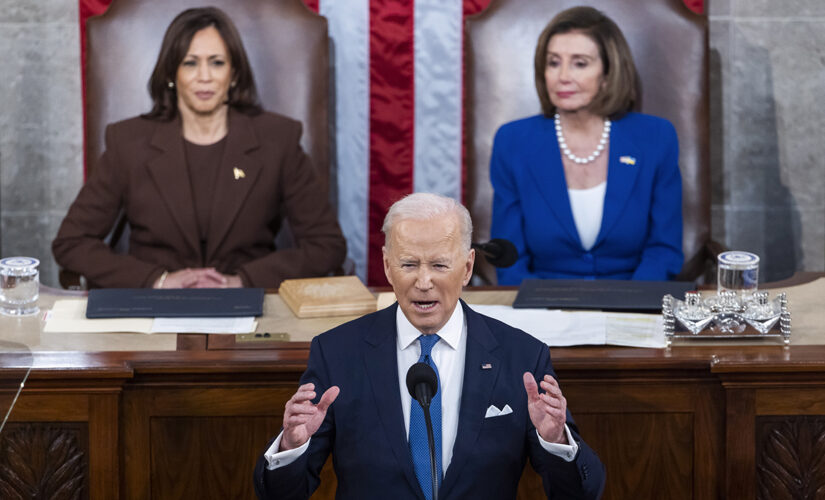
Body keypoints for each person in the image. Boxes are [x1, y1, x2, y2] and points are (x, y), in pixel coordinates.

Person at [253, 193, 605, 499]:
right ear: (388, 267)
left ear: (467, 268)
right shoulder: (338, 354)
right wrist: (292, 446)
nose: (424, 282)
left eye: (439, 265)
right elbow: (281, 493)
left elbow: (579, 493)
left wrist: (556, 440)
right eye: (408, 264)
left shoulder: (522, 356)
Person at [52, 7, 346, 289]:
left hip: (250, 312)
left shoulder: (278, 139)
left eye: (217, 62)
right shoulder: (128, 143)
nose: (204, 76)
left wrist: (243, 280)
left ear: (233, 74)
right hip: (155, 313)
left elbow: (327, 245)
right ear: (171, 73)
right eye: (190, 63)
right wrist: (157, 280)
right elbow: (71, 243)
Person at [490, 6, 683, 285]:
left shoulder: (656, 137)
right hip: (542, 307)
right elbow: (510, 258)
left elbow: (664, 250)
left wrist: (629, 309)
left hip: (633, 304)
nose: (563, 76)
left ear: (607, 74)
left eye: (580, 63)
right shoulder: (512, 141)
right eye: (553, 62)